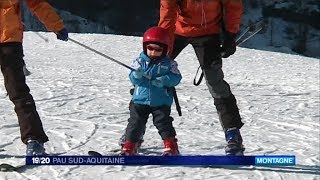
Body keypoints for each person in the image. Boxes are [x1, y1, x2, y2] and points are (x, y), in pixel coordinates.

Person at [157, 0, 245, 155]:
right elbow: (168, 15)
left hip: (209, 32)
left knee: (215, 83)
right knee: (153, 76)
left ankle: (233, 135)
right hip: (177, 29)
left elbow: (232, 5)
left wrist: (230, 34)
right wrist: (162, 52)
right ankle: (133, 135)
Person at [0, 0, 68, 156]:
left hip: (9, 40)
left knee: (17, 91)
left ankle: (34, 139)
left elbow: (37, 3)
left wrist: (56, 25)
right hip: (10, 38)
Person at [120, 27, 182, 156]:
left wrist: (164, 80)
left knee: (163, 123)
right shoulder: (139, 62)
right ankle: (129, 146)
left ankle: (171, 146)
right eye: (150, 48)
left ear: (165, 49)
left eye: (158, 49)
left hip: (160, 101)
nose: (153, 52)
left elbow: (176, 78)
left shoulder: (169, 64)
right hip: (140, 100)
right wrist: (136, 75)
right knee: (135, 123)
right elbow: (133, 77)